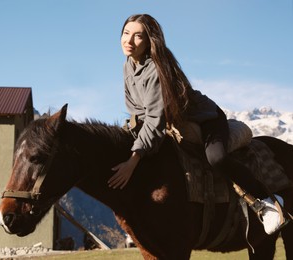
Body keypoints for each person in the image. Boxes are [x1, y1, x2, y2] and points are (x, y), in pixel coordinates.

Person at [107, 14, 285, 235]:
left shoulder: (154, 69)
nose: (129, 41)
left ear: (149, 41)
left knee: (216, 157)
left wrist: (133, 160)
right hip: (176, 124)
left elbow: (154, 120)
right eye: (126, 33)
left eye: (138, 36)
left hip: (205, 119)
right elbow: (138, 112)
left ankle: (267, 200)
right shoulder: (128, 66)